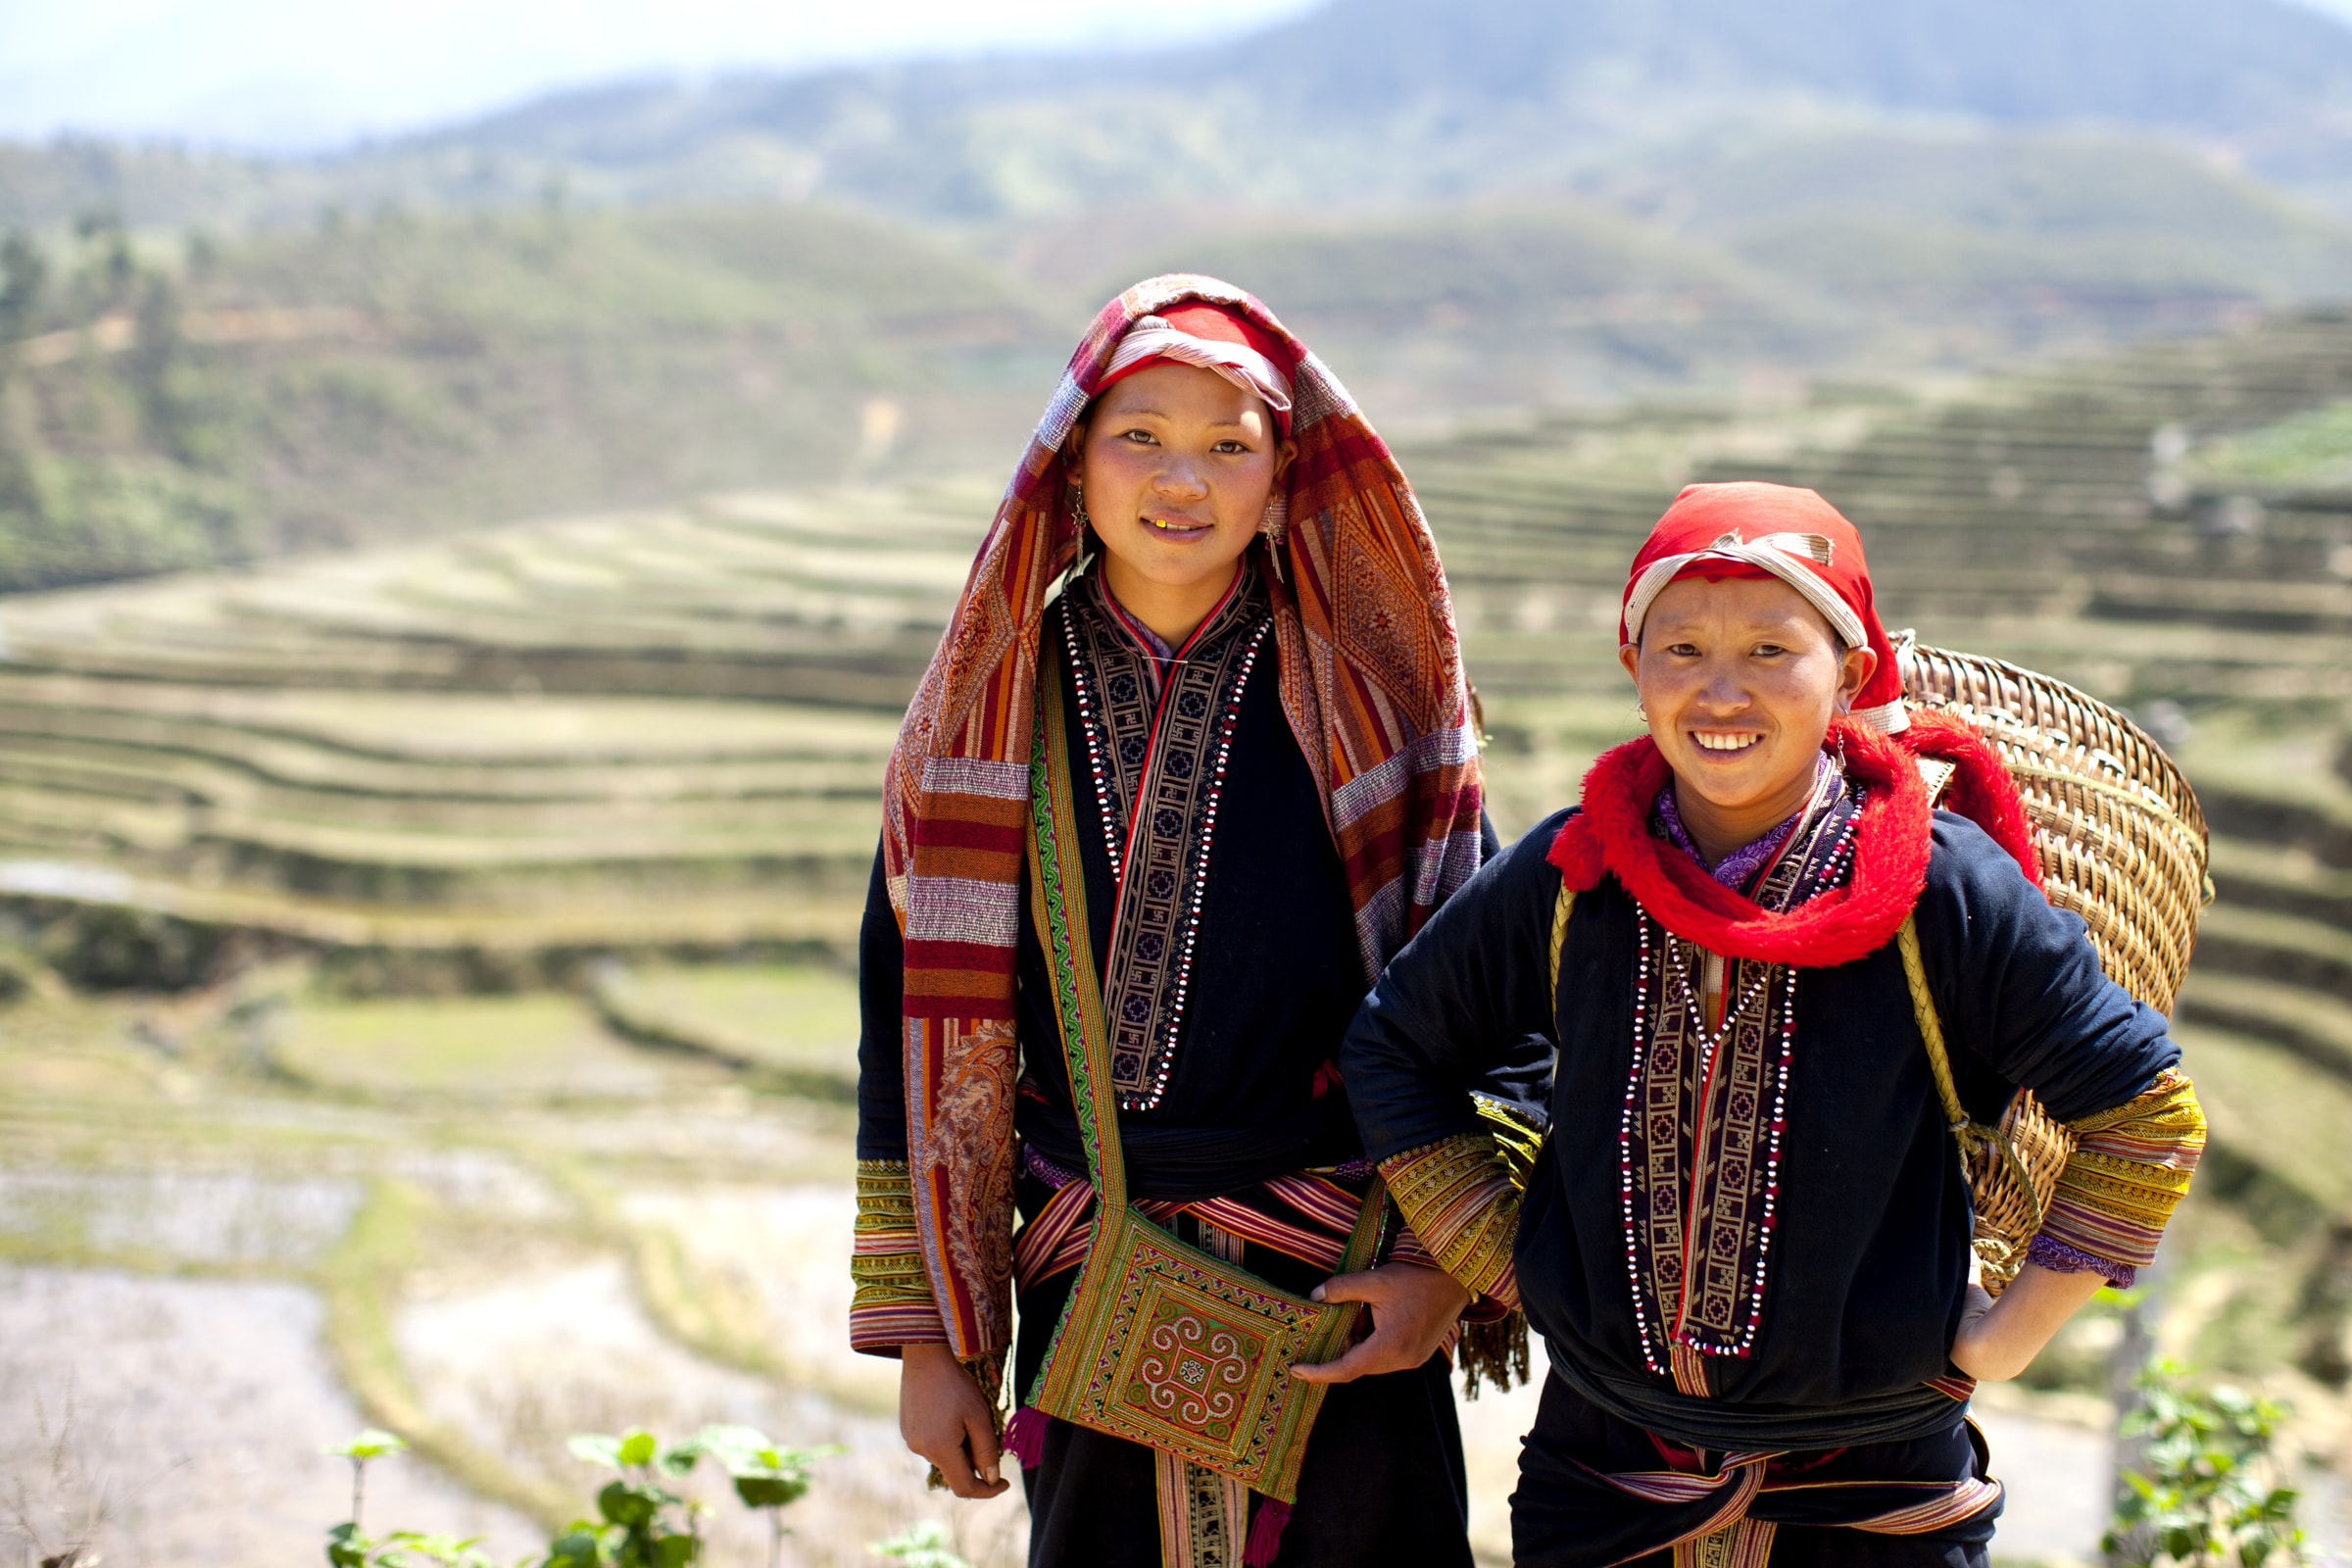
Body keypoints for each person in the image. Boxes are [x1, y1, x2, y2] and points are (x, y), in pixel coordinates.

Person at [1340, 481, 2208, 1568]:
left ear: (1847, 671)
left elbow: (2147, 1120)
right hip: (1603, 1483)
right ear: (1631, 663)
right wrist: (1515, 1260)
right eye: (1682, 648)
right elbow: (1395, 1048)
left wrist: (2007, 1339)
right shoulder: (1573, 878)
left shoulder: (1944, 896)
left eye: (1769, 650)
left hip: (1874, 1499)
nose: (1721, 691)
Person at [851, 274, 1534, 1568]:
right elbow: (907, 1034)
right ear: (1072, 466)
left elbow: (1499, 1003)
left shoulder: (1377, 717)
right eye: (1142, 438)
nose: (1185, 478)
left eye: (1231, 444)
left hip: (1343, 1299)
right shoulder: (977, 721)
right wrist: (929, 1337)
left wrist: (1442, 1277)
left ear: (1284, 479)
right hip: (1087, 1282)